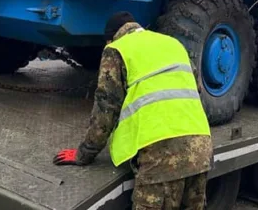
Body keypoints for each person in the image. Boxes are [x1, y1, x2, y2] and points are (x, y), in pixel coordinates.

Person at [53, 12, 212, 210]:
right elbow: (194, 92)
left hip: (162, 154)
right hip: (201, 148)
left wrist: (84, 154)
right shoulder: (173, 44)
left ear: (111, 37)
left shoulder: (116, 49)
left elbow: (106, 110)